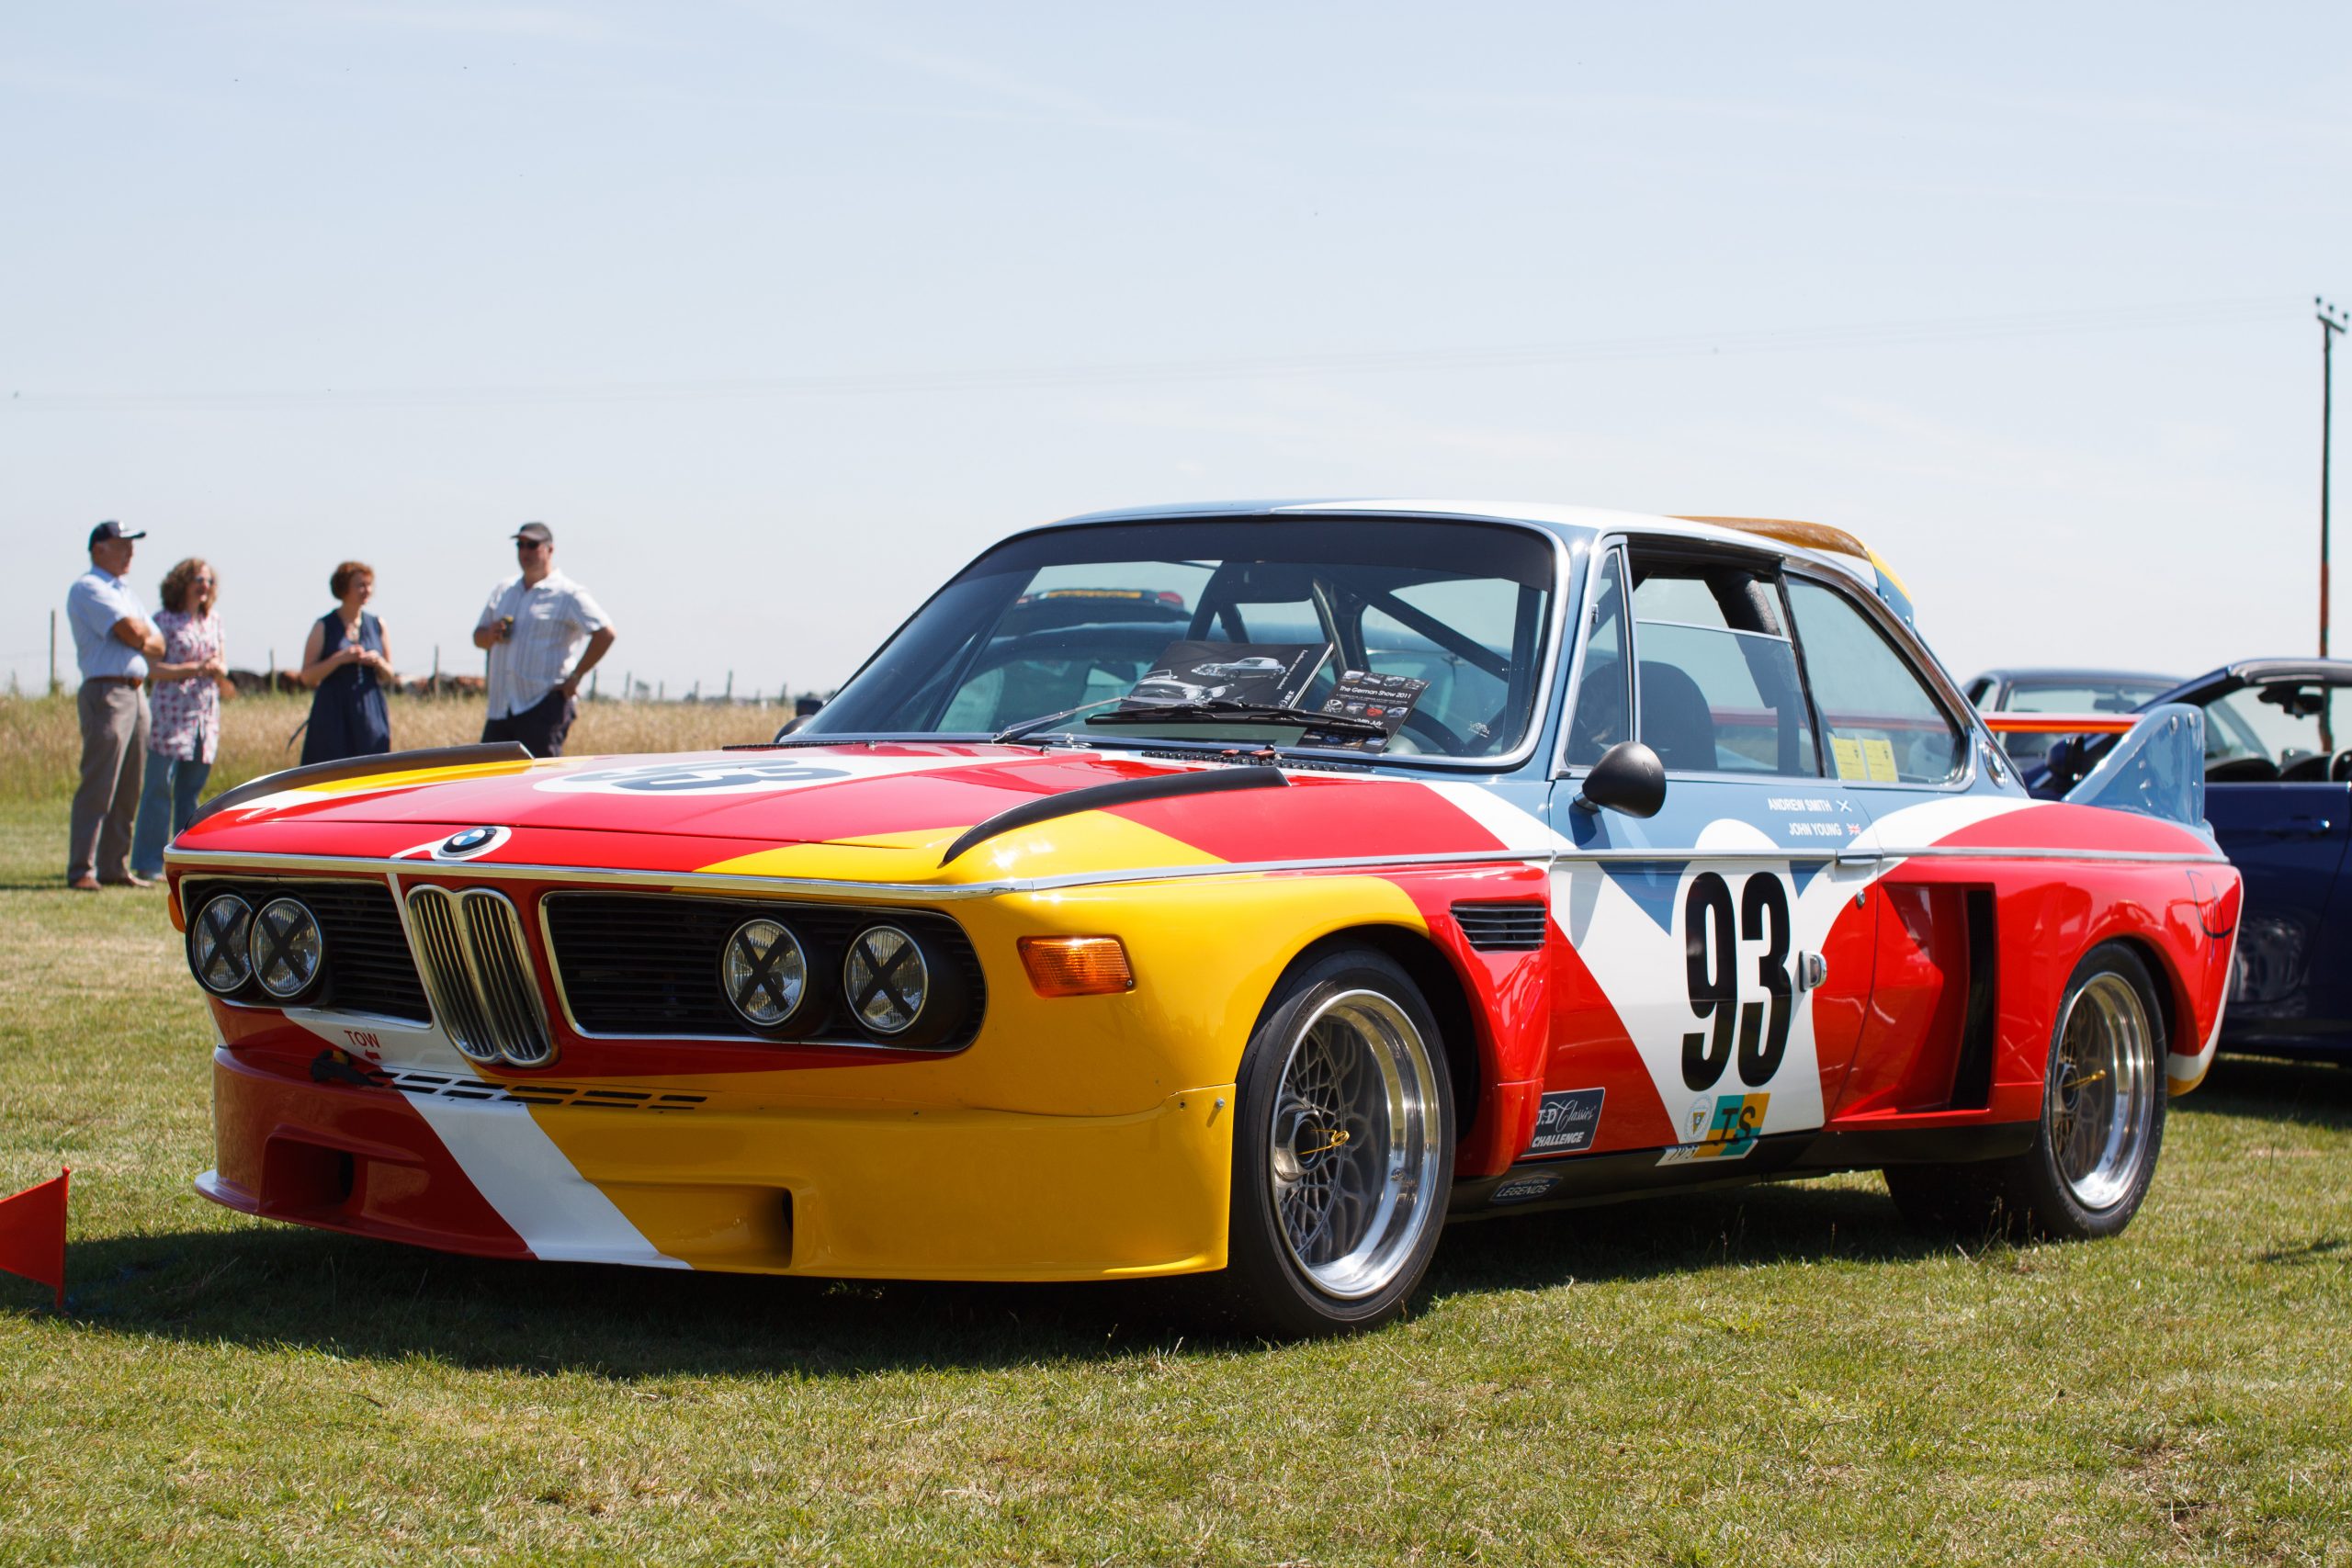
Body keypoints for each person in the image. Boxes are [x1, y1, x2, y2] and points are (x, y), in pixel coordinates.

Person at [66, 521, 164, 891]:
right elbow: (135, 633)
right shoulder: (87, 587)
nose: (130, 551)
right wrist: (140, 636)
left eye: (131, 544)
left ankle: (113, 866)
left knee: (129, 785)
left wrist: (141, 636)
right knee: (100, 782)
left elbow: (159, 643)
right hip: (106, 693)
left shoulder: (125, 592)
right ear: (98, 550)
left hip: (137, 692)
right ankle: (82, 869)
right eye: (121, 544)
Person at [473, 522, 616, 757]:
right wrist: (490, 635)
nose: (525, 552)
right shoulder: (504, 590)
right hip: (501, 707)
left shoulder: (568, 593)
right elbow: (478, 638)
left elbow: (605, 633)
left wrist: (576, 676)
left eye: (532, 545)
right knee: (490, 783)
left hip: (542, 705)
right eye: (520, 545)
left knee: (536, 782)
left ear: (550, 550)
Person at [130, 557, 233, 879]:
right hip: (170, 713)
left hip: (204, 715)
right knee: (159, 787)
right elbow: (153, 669)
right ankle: (148, 861)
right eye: (198, 580)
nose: (204, 587)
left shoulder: (213, 620)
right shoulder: (162, 620)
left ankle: (186, 859)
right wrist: (195, 669)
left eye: (209, 581)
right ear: (182, 583)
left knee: (191, 790)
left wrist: (217, 670)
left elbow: (223, 664)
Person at [297, 560, 394, 764]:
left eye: (369, 585)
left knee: (372, 768)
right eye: (360, 585)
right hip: (332, 711)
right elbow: (307, 676)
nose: (366, 590)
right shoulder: (323, 626)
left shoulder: (378, 624)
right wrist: (340, 659)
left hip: (370, 711)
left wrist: (377, 662)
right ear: (343, 589)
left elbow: (389, 674)